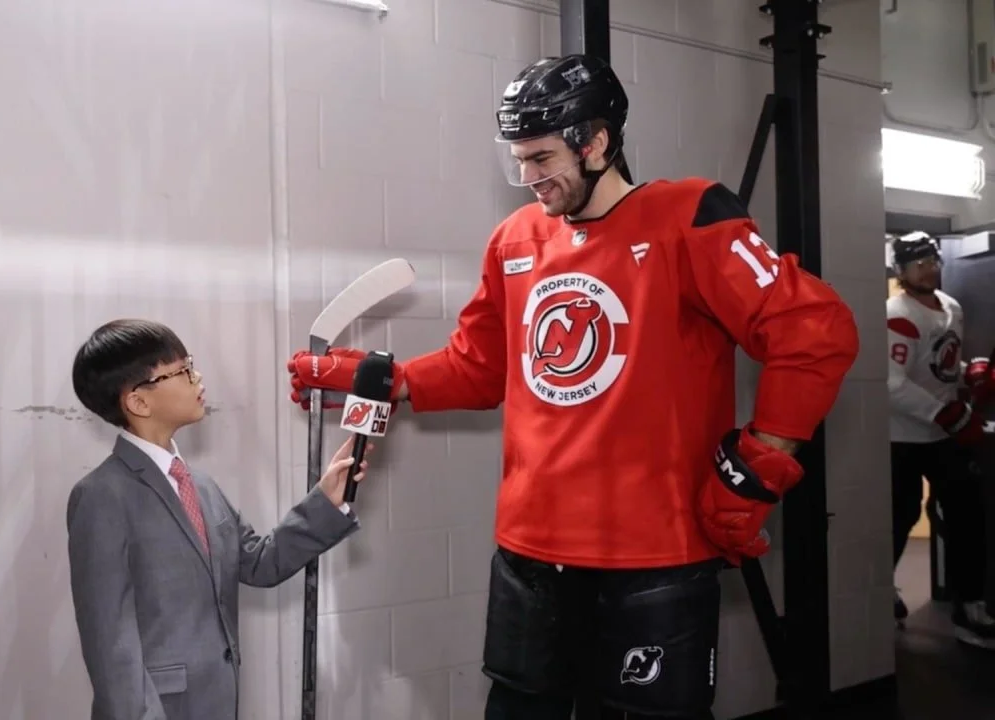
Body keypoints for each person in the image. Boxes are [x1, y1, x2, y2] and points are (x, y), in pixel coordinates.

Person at [284, 55, 859, 719]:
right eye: (517, 161)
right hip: (530, 553)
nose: (528, 178)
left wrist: (758, 468)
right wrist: (383, 379)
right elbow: (479, 367)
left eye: (541, 158)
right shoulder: (515, 240)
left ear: (596, 142)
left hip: (655, 553)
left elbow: (815, 332)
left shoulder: (690, 217)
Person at [67, 319, 371, 720]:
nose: (197, 377)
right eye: (182, 371)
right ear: (138, 402)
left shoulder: (199, 485)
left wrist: (327, 500)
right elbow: (110, 649)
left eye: (191, 365)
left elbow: (259, 562)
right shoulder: (101, 496)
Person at [885, 232, 995, 647]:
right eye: (919, 264)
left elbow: (940, 365)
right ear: (901, 270)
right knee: (899, 516)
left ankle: (970, 604)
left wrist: (969, 372)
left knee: (968, 514)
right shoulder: (896, 315)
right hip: (902, 437)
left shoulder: (951, 307)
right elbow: (892, 383)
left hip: (943, 433)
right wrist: (944, 413)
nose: (929, 269)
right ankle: (880, 589)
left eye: (932, 261)